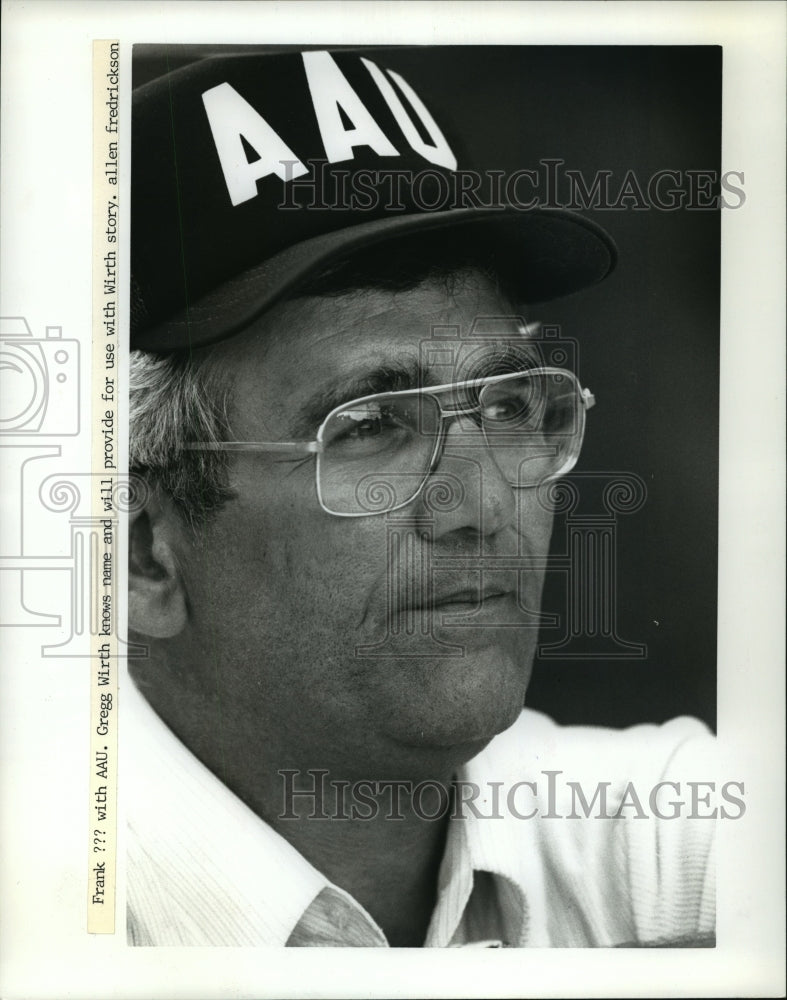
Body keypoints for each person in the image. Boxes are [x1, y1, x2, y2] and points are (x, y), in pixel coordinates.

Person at [126, 46, 716, 947]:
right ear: (142, 554)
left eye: (508, 405)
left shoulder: (662, 839)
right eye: (369, 425)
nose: (482, 504)